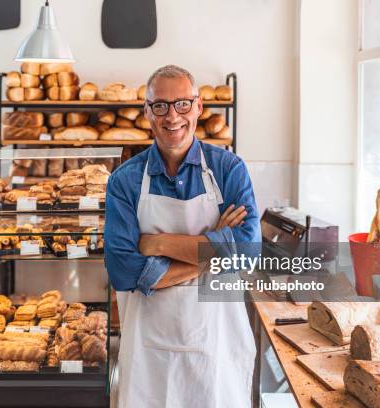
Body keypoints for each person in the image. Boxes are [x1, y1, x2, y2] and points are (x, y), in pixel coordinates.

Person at [105, 65, 260, 408]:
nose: (172, 116)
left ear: (199, 107)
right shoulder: (125, 181)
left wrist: (155, 244)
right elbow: (123, 271)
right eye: (160, 105)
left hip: (216, 347)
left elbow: (248, 253)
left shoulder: (227, 169)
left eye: (182, 104)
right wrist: (215, 253)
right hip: (149, 355)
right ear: (147, 111)